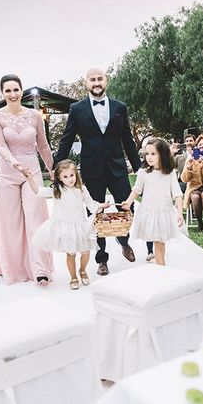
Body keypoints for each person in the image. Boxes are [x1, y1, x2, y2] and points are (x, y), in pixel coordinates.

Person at [55, 68, 141, 276]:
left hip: (117, 168)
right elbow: (67, 139)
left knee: (127, 209)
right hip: (92, 170)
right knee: (95, 213)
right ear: (86, 83)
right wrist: (57, 169)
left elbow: (127, 139)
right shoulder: (77, 109)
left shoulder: (120, 107)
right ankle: (102, 259)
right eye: (92, 79)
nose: (96, 82)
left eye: (99, 79)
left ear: (106, 81)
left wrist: (139, 168)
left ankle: (123, 241)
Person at [0, 74, 54, 285]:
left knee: (36, 218)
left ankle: (40, 269)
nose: (13, 94)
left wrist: (53, 170)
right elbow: (0, 145)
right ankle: (14, 269)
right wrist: (13, 162)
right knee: (11, 222)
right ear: (2, 93)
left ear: (22, 91)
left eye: (16, 89)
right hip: (7, 172)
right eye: (8, 90)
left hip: (32, 173)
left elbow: (43, 145)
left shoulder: (35, 115)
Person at [23, 160, 109, 289]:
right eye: (65, 176)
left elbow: (91, 204)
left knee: (85, 252)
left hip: (80, 225)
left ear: (76, 174)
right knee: (71, 253)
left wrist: (101, 206)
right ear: (59, 177)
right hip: (66, 228)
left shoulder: (81, 189)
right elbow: (38, 191)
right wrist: (29, 178)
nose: (70, 179)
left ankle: (82, 270)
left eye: (72, 175)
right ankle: (73, 277)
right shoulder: (58, 189)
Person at [121, 138, 184, 266]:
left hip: (164, 213)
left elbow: (177, 194)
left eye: (153, 154)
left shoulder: (169, 173)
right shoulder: (143, 172)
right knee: (159, 246)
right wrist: (128, 202)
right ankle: (162, 270)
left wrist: (180, 212)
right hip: (149, 213)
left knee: (161, 245)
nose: (149, 157)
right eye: (147, 154)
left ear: (163, 154)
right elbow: (137, 190)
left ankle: (161, 269)